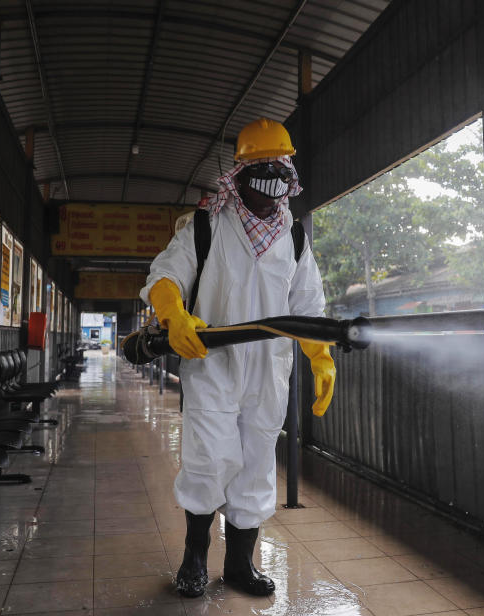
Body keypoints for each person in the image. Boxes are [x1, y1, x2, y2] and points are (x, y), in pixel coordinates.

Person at [138, 118, 335, 598]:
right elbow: (165, 275)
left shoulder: (293, 239)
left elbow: (308, 308)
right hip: (212, 369)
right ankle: (193, 560)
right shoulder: (205, 226)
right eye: (260, 167)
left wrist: (320, 358)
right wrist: (173, 315)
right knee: (209, 462)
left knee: (255, 468)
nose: (271, 179)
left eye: (280, 167)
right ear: (239, 173)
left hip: (268, 373)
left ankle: (241, 566)